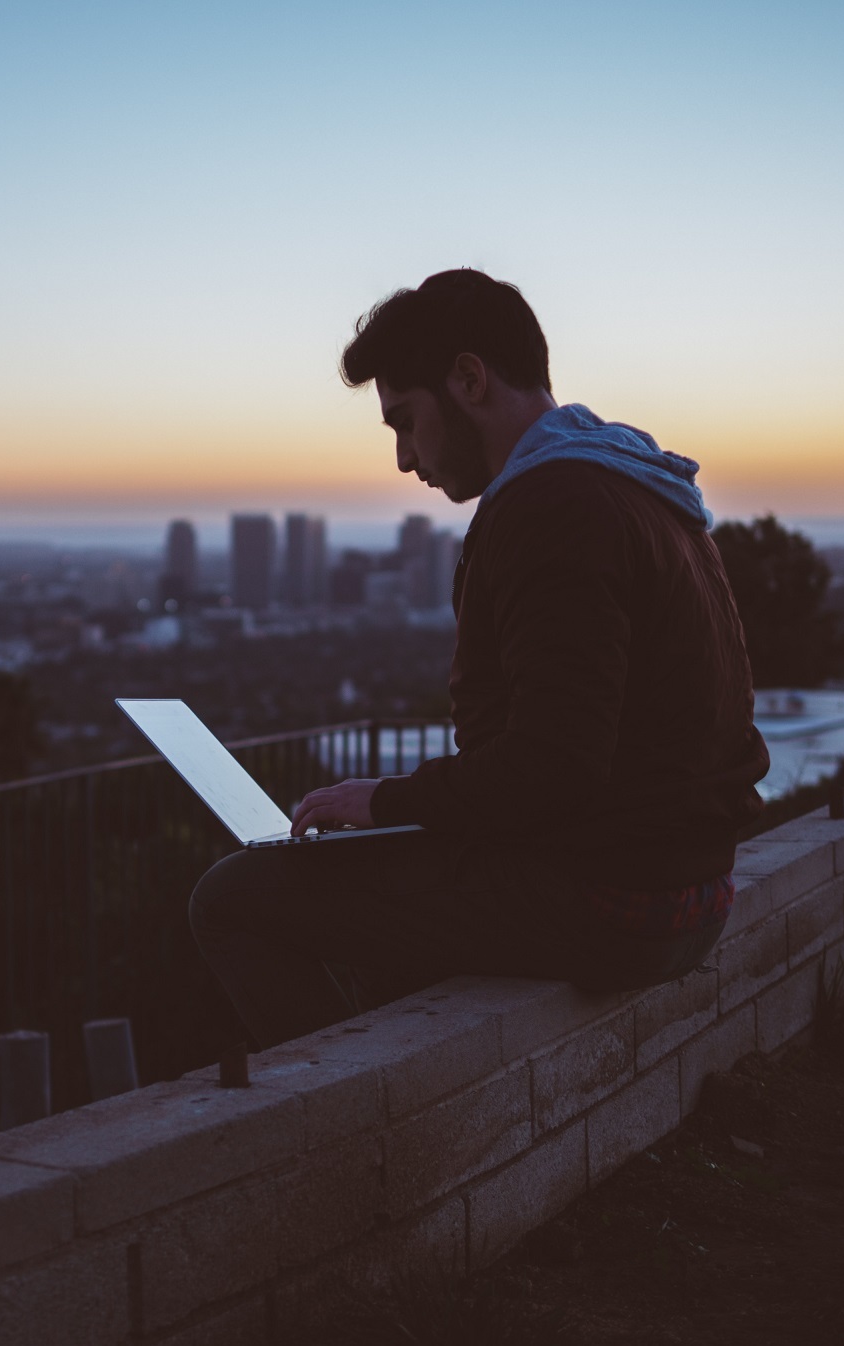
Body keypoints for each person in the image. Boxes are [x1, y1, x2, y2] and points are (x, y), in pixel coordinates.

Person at [189, 269, 771, 1050]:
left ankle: (350, 1127)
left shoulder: (551, 506)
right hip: (689, 886)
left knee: (232, 898)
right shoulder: (640, 486)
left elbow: (554, 766)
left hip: (617, 902)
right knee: (380, 895)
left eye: (405, 421)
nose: (404, 459)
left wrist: (385, 802)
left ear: (468, 378)